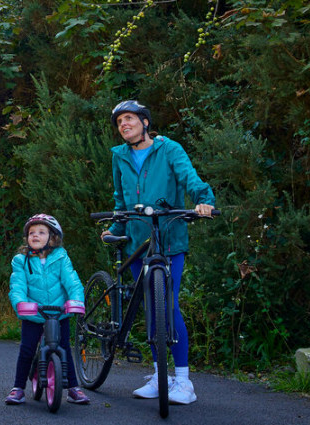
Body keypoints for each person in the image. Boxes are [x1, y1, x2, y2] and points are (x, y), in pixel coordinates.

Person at [101, 100, 216, 405]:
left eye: (129, 119)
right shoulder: (119, 156)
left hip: (168, 237)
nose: (124, 125)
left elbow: (189, 178)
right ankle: (158, 375)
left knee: (168, 304)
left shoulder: (169, 150)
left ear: (145, 122)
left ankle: (183, 381)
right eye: (119, 122)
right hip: (137, 238)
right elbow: (120, 196)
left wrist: (203, 201)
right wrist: (115, 224)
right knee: (152, 307)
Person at [4, 214, 90, 406]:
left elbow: (72, 281)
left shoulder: (61, 257)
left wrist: (76, 300)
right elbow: (17, 285)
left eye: (41, 232)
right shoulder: (21, 260)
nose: (35, 235)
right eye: (31, 233)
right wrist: (20, 303)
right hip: (34, 313)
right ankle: (18, 388)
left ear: (53, 238)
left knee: (65, 348)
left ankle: (73, 388)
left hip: (59, 312)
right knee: (27, 349)